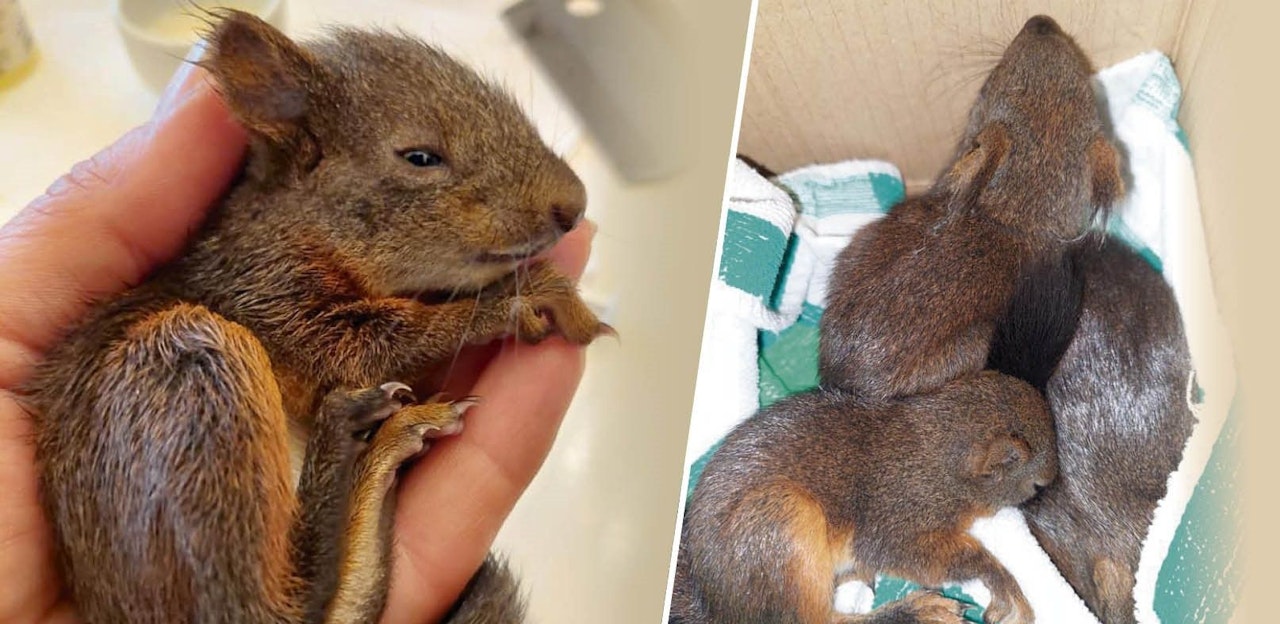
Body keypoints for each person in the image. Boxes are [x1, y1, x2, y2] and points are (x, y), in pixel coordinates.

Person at [0, 62, 592, 623]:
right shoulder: (270, 254)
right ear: (307, 156)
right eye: (422, 159)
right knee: (184, 352)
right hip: (198, 559)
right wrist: (487, 316)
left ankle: (323, 558)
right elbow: (342, 350)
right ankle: (300, 589)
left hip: (221, 545)